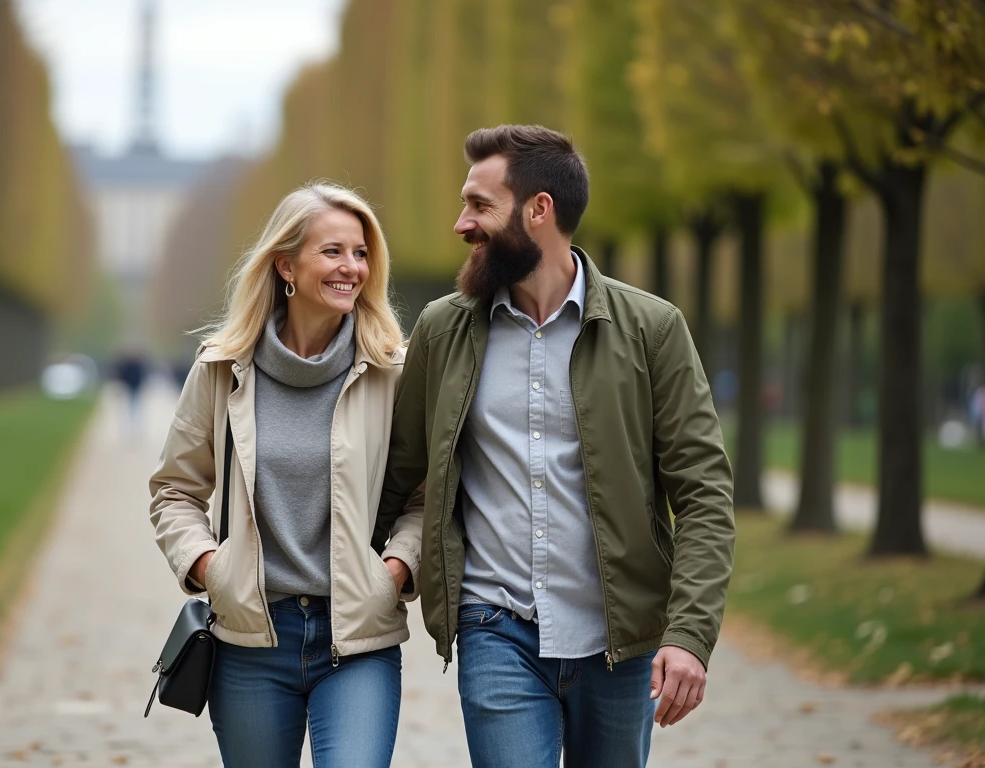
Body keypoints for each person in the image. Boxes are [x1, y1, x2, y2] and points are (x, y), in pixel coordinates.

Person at [373, 125, 736, 768]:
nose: (462, 223)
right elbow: (399, 476)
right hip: (494, 627)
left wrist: (689, 636)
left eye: (480, 206)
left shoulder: (652, 330)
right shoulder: (442, 330)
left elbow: (704, 494)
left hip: (618, 644)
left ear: (539, 210)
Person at [149, 183, 422, 768]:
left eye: (361, 252)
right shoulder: (221, 368)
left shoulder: (393, 372)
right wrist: (209, 568)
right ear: (285, 265)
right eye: (332, 251)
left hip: (357, 641)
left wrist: (395, 571)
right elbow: (175, 490)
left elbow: (426, 498)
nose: (352, 267)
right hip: (250, 640)